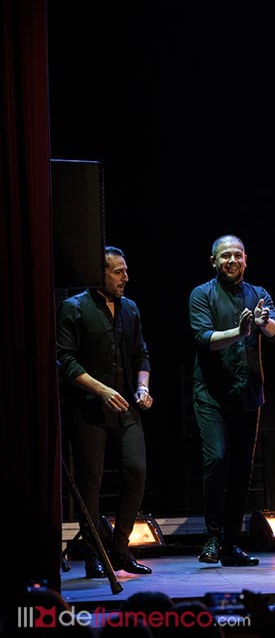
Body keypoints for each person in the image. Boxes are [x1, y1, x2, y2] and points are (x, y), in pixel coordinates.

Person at [57, 246, 154, 577]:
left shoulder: (130, 308)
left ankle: (120, 549)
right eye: (118, 272)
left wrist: (142, 388)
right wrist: (102, 390)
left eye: (125, 271)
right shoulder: (74, 308)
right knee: (90, 482)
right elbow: (66, 361)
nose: (126, 277)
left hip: (125, 408)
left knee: (136, 471)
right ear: (100, 275)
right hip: (88, 410)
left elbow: (141, 354)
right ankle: (94, 554)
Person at [189, 234, 275, 566]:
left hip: (247, 394)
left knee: (242, 471)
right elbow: (203, 339)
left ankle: (230, 545)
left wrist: (264, 323)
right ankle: (212, 537)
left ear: (246, 259)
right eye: (225, 256)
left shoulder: (258, 294)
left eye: (237, 255)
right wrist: (239, 332)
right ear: (213, 261)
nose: (232, 260)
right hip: (212, 396)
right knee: (217, 460)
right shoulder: (202, 294)